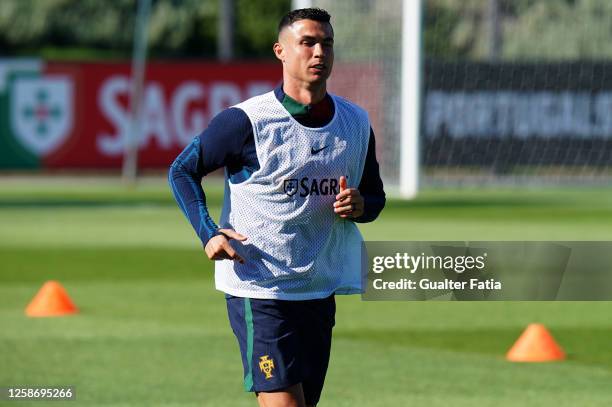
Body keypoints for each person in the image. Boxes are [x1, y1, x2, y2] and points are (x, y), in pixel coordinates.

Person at [169, 7, 385, 407]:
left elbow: (374, 198)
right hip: (259, 287)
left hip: (319, 289)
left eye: (327, 43)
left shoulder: (355, 122)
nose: (319, 52)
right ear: (281, 51)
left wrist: (360, 205)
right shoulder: (247, 122)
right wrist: (209, 232)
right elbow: (182, 170)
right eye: (308, 43)